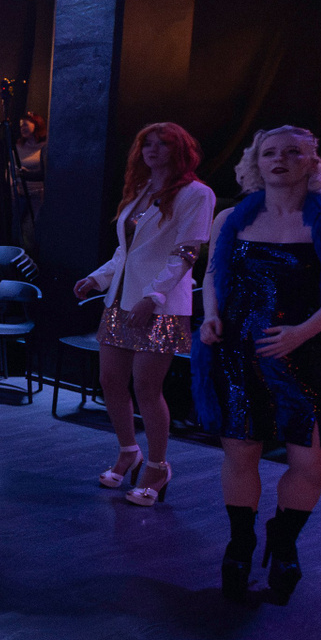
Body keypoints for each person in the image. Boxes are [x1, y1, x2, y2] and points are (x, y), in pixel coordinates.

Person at [194, 126, 321, 606]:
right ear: (256, 162)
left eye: (292, 152)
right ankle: (240, 543)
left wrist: (301, 332)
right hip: (238, 352)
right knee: (241, 452)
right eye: (269, 152)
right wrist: (209, 316)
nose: (279, 159)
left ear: (312, 162)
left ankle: (284, 541)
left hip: (305, 355)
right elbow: (213, 274)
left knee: (311, 460)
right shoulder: (231, 218)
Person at [73, 123, 215, 507]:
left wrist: (154, 296)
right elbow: (126, 252)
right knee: (110, 380)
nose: (152, 150)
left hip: (160, 304)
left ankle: (157, 466)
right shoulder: (140, 190)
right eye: (146, 144)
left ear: (179, 150)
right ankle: (128, 451)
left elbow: (186, 253)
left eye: (162, 144)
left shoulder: (196, 194)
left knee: (147, 387)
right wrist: (97, 278)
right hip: (120, 300)